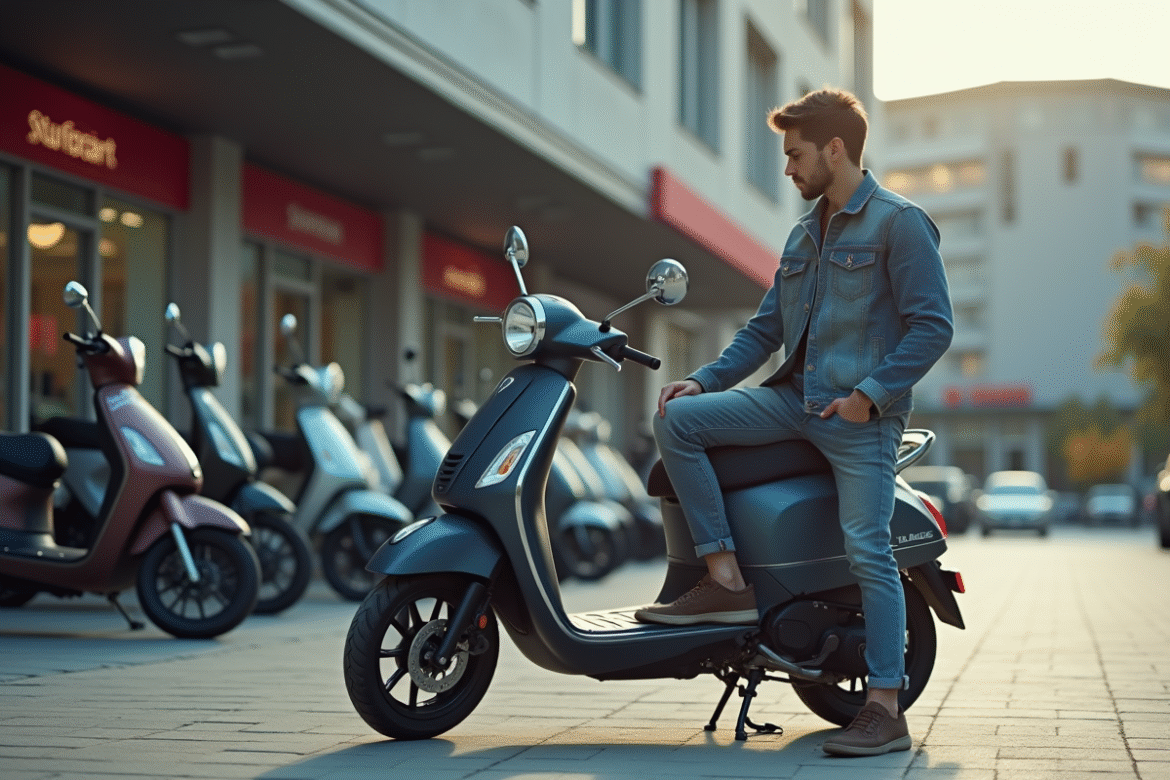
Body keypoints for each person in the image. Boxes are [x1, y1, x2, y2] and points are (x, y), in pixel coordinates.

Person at [633, 88, 954, 757]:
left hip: (858, 417)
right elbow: (764, 331)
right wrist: (704, 379)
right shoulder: (805, 231)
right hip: (789, 400)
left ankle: (886, 709)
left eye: (795, 154)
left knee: (869, 549)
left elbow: (933, 328)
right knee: (680, 421)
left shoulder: (901, 223)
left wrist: (869, 396)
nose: (787, 168)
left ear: (835, 148)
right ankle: (724, 580)